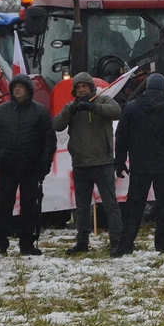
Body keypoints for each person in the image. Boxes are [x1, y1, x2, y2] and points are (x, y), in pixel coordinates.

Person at [115, 73, 164, 255]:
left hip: (139, 166)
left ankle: (125, 245)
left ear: (147, 88)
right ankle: (163, 246)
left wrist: (119, 162)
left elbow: (121, 138)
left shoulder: (132, 108)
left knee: (134, 206)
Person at [0, 74, 56, 256]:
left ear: (28, 90)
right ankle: (0, 244)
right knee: (3, 206)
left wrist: (44, 165)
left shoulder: (40, 112)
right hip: (7, 167)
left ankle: (27, 244)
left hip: (31, 168)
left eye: (21, 86)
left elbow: (49, 141)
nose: (17, 89)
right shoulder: (1, 111)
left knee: (29, 206)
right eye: (15, 86)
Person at [52, 72, 122, 255]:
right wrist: (71, 111)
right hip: (80, 163)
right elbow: (56, 125)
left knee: (110, 204)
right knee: (82, 207)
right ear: (74, 91)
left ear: (92, 87)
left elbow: (116, 112)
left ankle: (117, 241)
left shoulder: (104, 100)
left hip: (103, 162)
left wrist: (92, 107)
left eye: (85, 86)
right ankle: (82, 242)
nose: (82, 89)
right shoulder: (71, 106)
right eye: (78, 87)